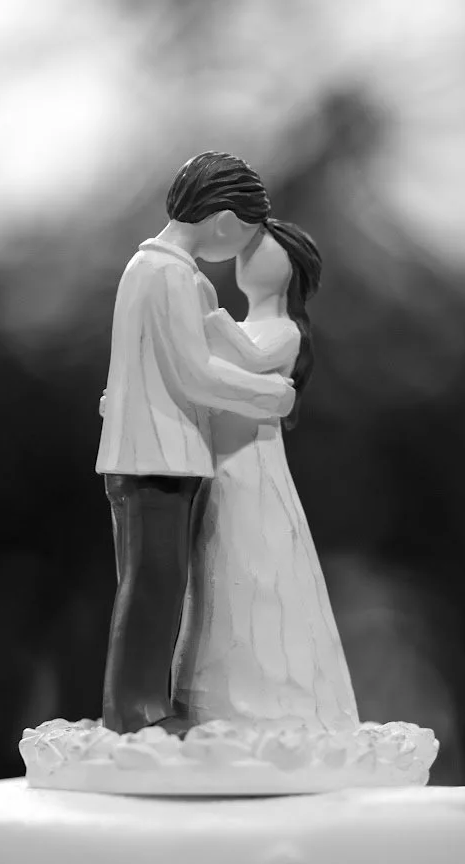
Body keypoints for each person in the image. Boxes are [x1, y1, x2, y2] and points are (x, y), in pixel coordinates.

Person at [95, 152, 295, 735]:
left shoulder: (153, 270)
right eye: (243, 239)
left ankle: (140, 705)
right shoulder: (168, 273)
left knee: (158, 579)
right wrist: (268, 396)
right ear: (225, 222)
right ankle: (135, 711)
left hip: (153, 447)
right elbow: (195, 374)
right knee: (154, 581)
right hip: (155, 451)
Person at [172, 220, 360, 733]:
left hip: (252, 461)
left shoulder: (284, 331)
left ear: (290, 269)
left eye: (260, 249)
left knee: (257, 554)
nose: (247, 257)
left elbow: (247, 356)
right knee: (217, 562)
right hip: (220, 460)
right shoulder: (240, 321)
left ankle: (275, 699)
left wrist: (206, 316)